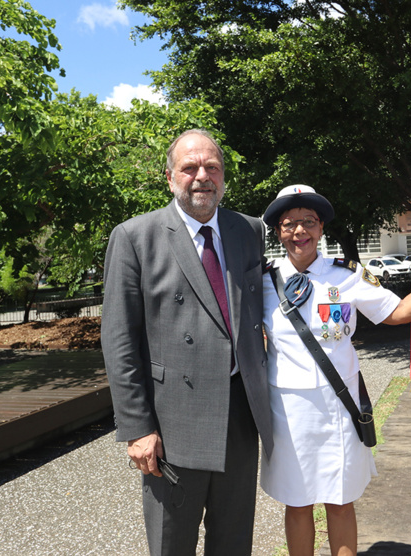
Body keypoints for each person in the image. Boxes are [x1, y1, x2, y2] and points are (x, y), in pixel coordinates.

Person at [101, 129, 273, 556]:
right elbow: (119, 340)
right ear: (169, 177)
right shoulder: (135, 237)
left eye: (212, 167)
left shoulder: (249, 230)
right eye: (190, 167)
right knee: (171, 544)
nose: (202, 176)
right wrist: (138, 428)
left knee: (233, 543)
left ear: (223, 176)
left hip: (239, 416)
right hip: (172, 421)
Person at [260, 185, 411, 556]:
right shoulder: (259, 282)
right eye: (289, 224)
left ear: (322, 228)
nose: (300, 231)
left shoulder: (346, 275)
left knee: (340, 499)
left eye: (309, 222)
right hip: (287, 411)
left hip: (338, 408)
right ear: (278, 232)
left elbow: (400, 312)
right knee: (297, 503)